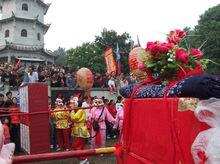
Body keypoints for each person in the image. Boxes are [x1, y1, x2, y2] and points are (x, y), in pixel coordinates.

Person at [70, 97, 90, 164]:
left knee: (77, 146)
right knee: (81, 146)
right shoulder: (79, 110)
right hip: (79, 129)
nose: (71, 105)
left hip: (80, 130)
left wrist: (72, 111)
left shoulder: (80, 110)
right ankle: (85, 159)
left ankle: (83, 159)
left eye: (73, 104)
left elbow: (74, 118)